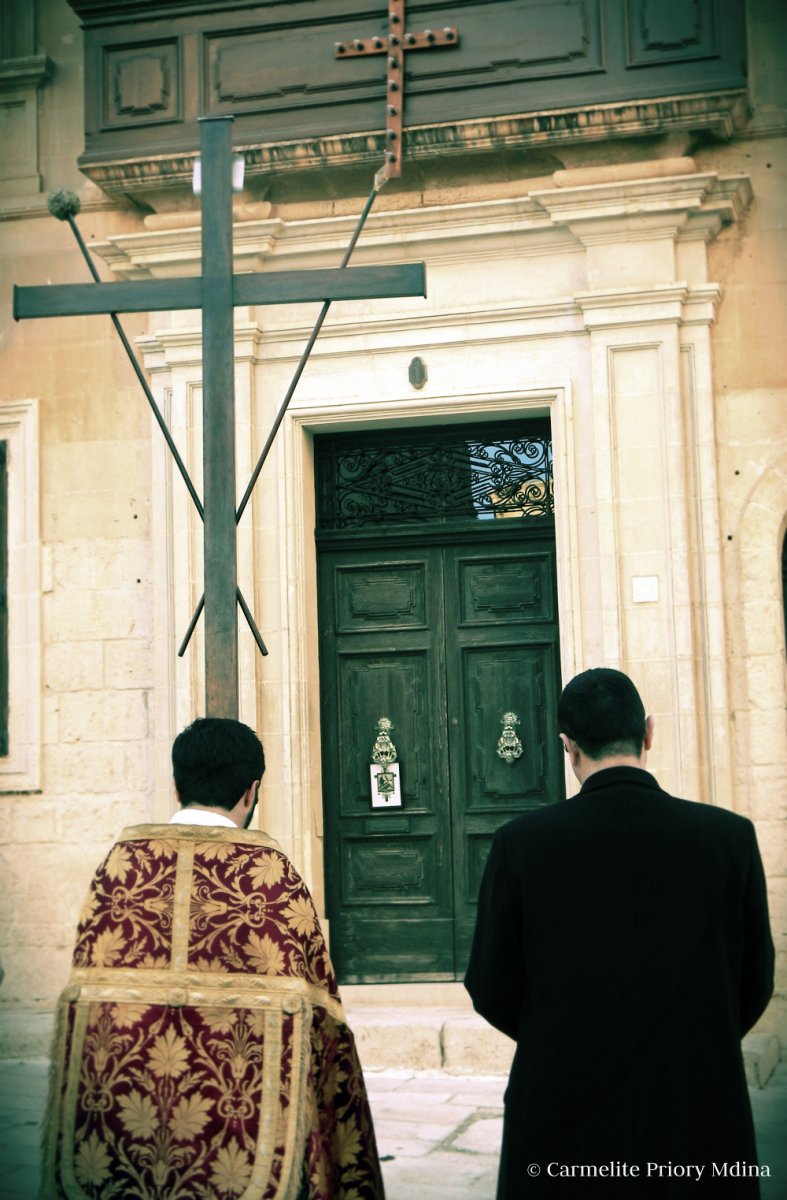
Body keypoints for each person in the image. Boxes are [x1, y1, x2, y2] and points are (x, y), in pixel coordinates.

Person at [42, 717, 385, 1199]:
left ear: (176, 784)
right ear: (251, 790)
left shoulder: (121, 869)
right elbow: (323, 1024)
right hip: (245, 1151)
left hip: (122, 1139)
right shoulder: (273, 878)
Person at [465, 668, 774, 1197]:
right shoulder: (729, 838)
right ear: (648, 732)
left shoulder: (521, 844)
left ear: (567, 745)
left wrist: (562, 1039)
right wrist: (691, 1039)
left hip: (562, 1119)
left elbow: (491, 985)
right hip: (698, 1111)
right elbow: (755, 979)